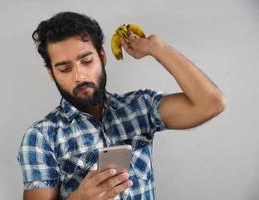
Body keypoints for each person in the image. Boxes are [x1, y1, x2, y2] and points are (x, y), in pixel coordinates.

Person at [17, 11, 226, 200]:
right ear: (52, 74)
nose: (79, 76)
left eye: (87, 61)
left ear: (102, 57)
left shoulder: (140, 108)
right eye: (64, 69)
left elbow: (211, 103)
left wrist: (157, 48)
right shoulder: (42, 137)